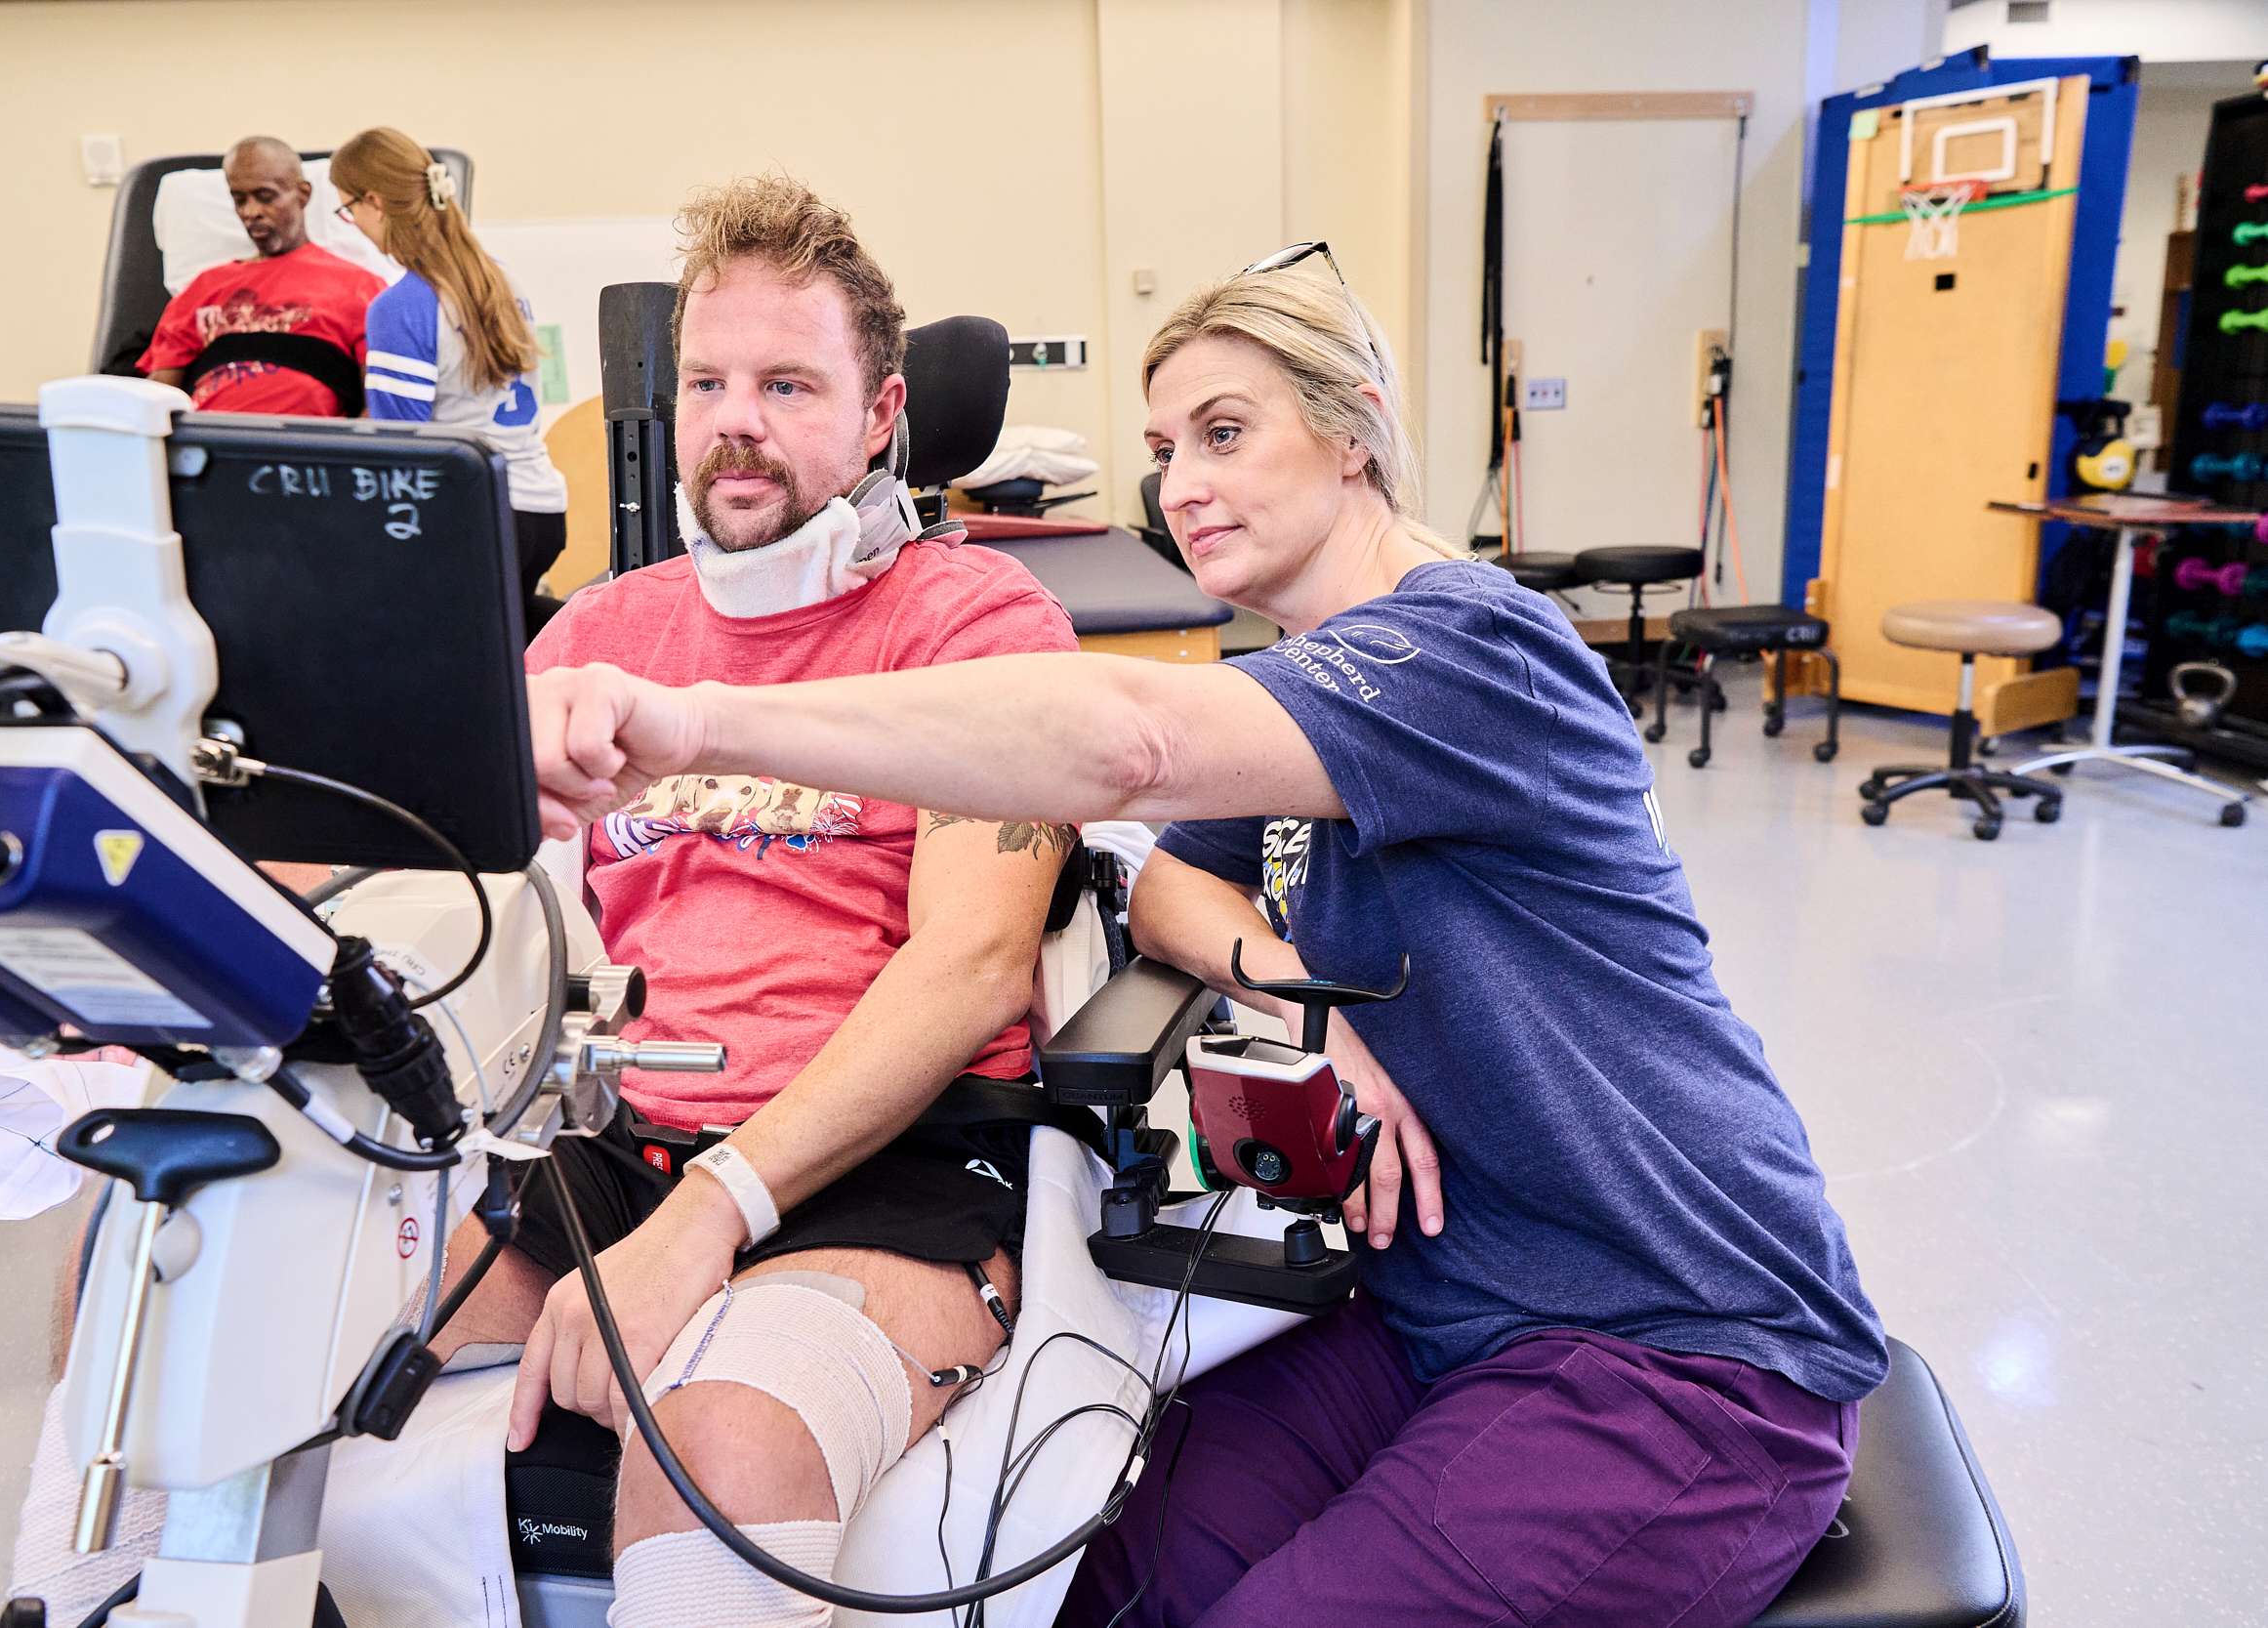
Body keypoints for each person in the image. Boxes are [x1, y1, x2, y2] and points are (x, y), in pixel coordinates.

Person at [521, 245, 1887, 1627]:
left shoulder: (1477, 648)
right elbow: (1174, 882)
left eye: (1227, 434)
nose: (1181, 484)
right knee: (1092, 1579)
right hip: (1430, 1306)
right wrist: (1315, 1004)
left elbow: (1126, 748)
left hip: (1677, 1341)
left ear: (1352, 428)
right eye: (1166, 447)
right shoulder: (1302, 690)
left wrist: (694, 720)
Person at [430, 175, 1082, 1627]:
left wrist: (718, 1209)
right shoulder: (600, 631)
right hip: (614, 1135)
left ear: (877, 414)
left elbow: (974, 963)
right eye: (713, 380)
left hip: (892, 1158)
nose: (738, 417)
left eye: (790, 384)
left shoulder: (979, 628)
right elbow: (447, 887)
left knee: (715, 1445)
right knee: (227, 1298)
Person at [330, 127, 571, 615]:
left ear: (374, 201)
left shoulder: (399, 308)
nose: (351, 222)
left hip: (475, 517)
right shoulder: (502, 279)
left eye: (348, 208)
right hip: (541, 508)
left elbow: (403, 454)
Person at [139, 136, 386, 416]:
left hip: (309, 448)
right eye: (239, 200)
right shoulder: (202, 288)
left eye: (265, 197)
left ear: (303, 194)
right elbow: (157, 400)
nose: (251, 212)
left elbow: (379, 405)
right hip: (207, 446)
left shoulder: (361, 287)